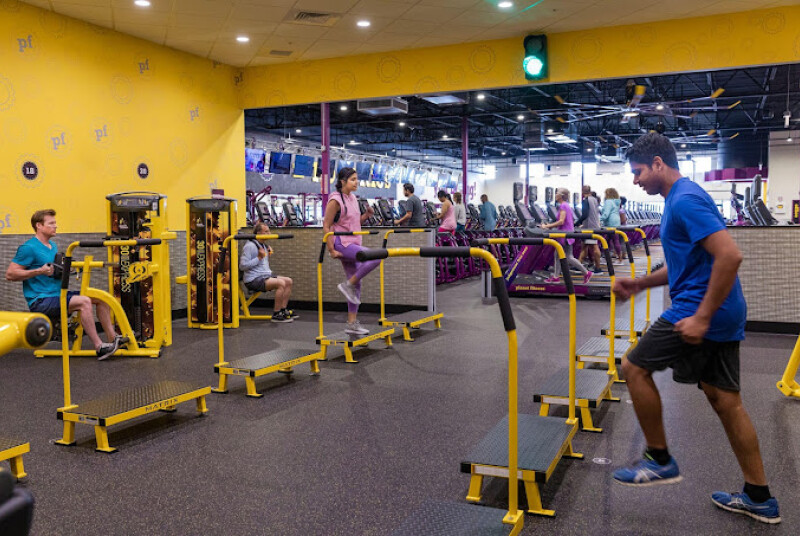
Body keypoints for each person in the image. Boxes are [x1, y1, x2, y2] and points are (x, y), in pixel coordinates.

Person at [612, 132, 779, 524]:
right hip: (722, 310)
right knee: (726, 401)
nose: (635, 180)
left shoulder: (684, 200)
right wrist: (640, 283)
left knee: (633, 367)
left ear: (658, 164)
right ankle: (759, 497)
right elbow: (684, 264)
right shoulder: (680, 198)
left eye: (638, 171)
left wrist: (702, 316)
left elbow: (729, 256)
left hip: (700, 309)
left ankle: (659, 459)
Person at [5, 209, 122, 360]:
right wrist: (39, 271)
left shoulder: (52, 246)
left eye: (55, 223)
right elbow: (10, 274)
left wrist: (67, 269)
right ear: (39, 225)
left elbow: (54, 270)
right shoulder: (28, 248)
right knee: (84, 302)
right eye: (51, 223)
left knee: (101, 298)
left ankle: (113, 339)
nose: (56, 226)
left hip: (58, 295)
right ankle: (99, 347)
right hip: (41, 300)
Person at [323, 167, 382, 335]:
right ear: (343, 181)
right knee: (375, 257)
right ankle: (346, 285)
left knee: (357, 283)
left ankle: (351, 324)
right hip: (342, 244)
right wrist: (331, 249)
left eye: (357, 179)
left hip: (353, 242)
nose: (357, 182)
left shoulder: (353, 198)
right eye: (353, 179)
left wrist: (367, 215)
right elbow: (326, 225)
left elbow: (353, 224)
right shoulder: (335, 200)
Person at [240, 221, 296, 323]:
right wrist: (259, 257)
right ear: (258, 233)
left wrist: (265, 254)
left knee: (289, 281)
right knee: (281, 283)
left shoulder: (263, 245)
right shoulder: (250, 246)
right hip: (253, 280)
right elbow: (242, 266)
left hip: (265, 275)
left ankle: (283, 310)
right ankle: (276, 314)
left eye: (269, 231)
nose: (269, 234)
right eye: (266, 232)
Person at [541, 188, 592, 285]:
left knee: (568, 257)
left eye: (557, 193)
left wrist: (547, 226)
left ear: (561, 195)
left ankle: (586, 272)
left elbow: (561, 221)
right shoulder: (566, 205)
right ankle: (556, 277)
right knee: (557, 255)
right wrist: (551, 226)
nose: (555, 195)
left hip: (565, 235)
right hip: (565, 234)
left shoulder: (563, 206)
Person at [574, 185, 603, 273]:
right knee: (584, 246)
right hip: (594, 225)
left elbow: (585, 214)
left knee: (594, 247)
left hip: (589, 227)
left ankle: (598, 268)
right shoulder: (594, 199)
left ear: (582, 192)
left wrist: (577, 223)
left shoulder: (586, 200)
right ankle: (579, 265)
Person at [600, 187, 624, 262]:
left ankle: (607, 257)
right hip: (616, 222)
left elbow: (606, 214)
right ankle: (619, 257)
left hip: (609, 223)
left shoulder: (608, 202)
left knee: (606, 241)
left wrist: (599, 220)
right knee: (615, 240)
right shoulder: (617, 202)